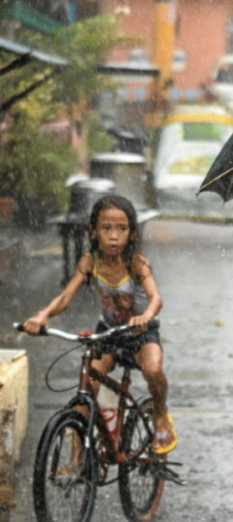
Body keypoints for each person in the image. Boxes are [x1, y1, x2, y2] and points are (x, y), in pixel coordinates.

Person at [23, 195, 176, 454]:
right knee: (88, 383)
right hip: (109, 332)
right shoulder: (89, 261)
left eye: (121, 229)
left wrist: (146, 316)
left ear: (131, 232)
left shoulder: (136, 263)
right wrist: (43, 314)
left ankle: (160, 413)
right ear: (94, 231)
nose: (114, 236)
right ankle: (76, 453)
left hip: (140, 331)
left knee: (152, 369)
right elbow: (65, 297)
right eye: (106, 229)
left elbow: (156, 298)